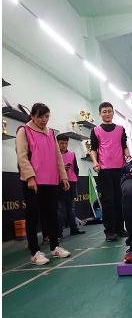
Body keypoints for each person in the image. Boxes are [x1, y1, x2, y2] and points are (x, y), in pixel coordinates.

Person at [15, 102, 71, 265]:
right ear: (33, 116)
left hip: (51, 181)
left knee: (52, 215)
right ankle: (35, 252)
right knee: (32, 216)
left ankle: (55, 247)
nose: (44, 120)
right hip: (33, 182)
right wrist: (30, 177)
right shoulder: (24, 130)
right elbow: (22, 156)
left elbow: (57, 156)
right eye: (40, 117)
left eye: (46, 116)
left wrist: (63, 177)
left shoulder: (51, 133)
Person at [90, 102, 131, 242]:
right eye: (104, 111)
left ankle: (120, 228)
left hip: (120, 169)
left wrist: (128, 157)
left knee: (120, 200)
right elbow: (93, 149)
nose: (107, 114)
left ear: (113, 112)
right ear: (100, 114)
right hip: (104, 170)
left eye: (109, 111)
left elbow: (124, 146)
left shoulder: (120, 129)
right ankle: (109, 231)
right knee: (108, 202)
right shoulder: (95, 130)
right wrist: (95, 162)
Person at [56, 135, 85, 239]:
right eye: (61, 143)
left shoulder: (72, 154)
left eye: (66, 143)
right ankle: (59, 233)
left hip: (71, 183)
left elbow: (76, 169)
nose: (64, 145)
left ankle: (74, 229)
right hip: (58, 184)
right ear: (57, 143)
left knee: (71, 208)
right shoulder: (53, 154)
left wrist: (74, 178)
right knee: (60, 210)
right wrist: (60, 168)